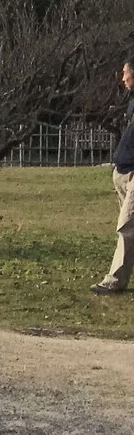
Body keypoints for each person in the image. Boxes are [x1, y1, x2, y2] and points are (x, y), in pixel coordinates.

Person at [95, 57, 134, 295]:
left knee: (126, 226)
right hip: (123, 170)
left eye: (125, 73)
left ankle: (115, 280)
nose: (122, 78)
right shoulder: (131, 101)